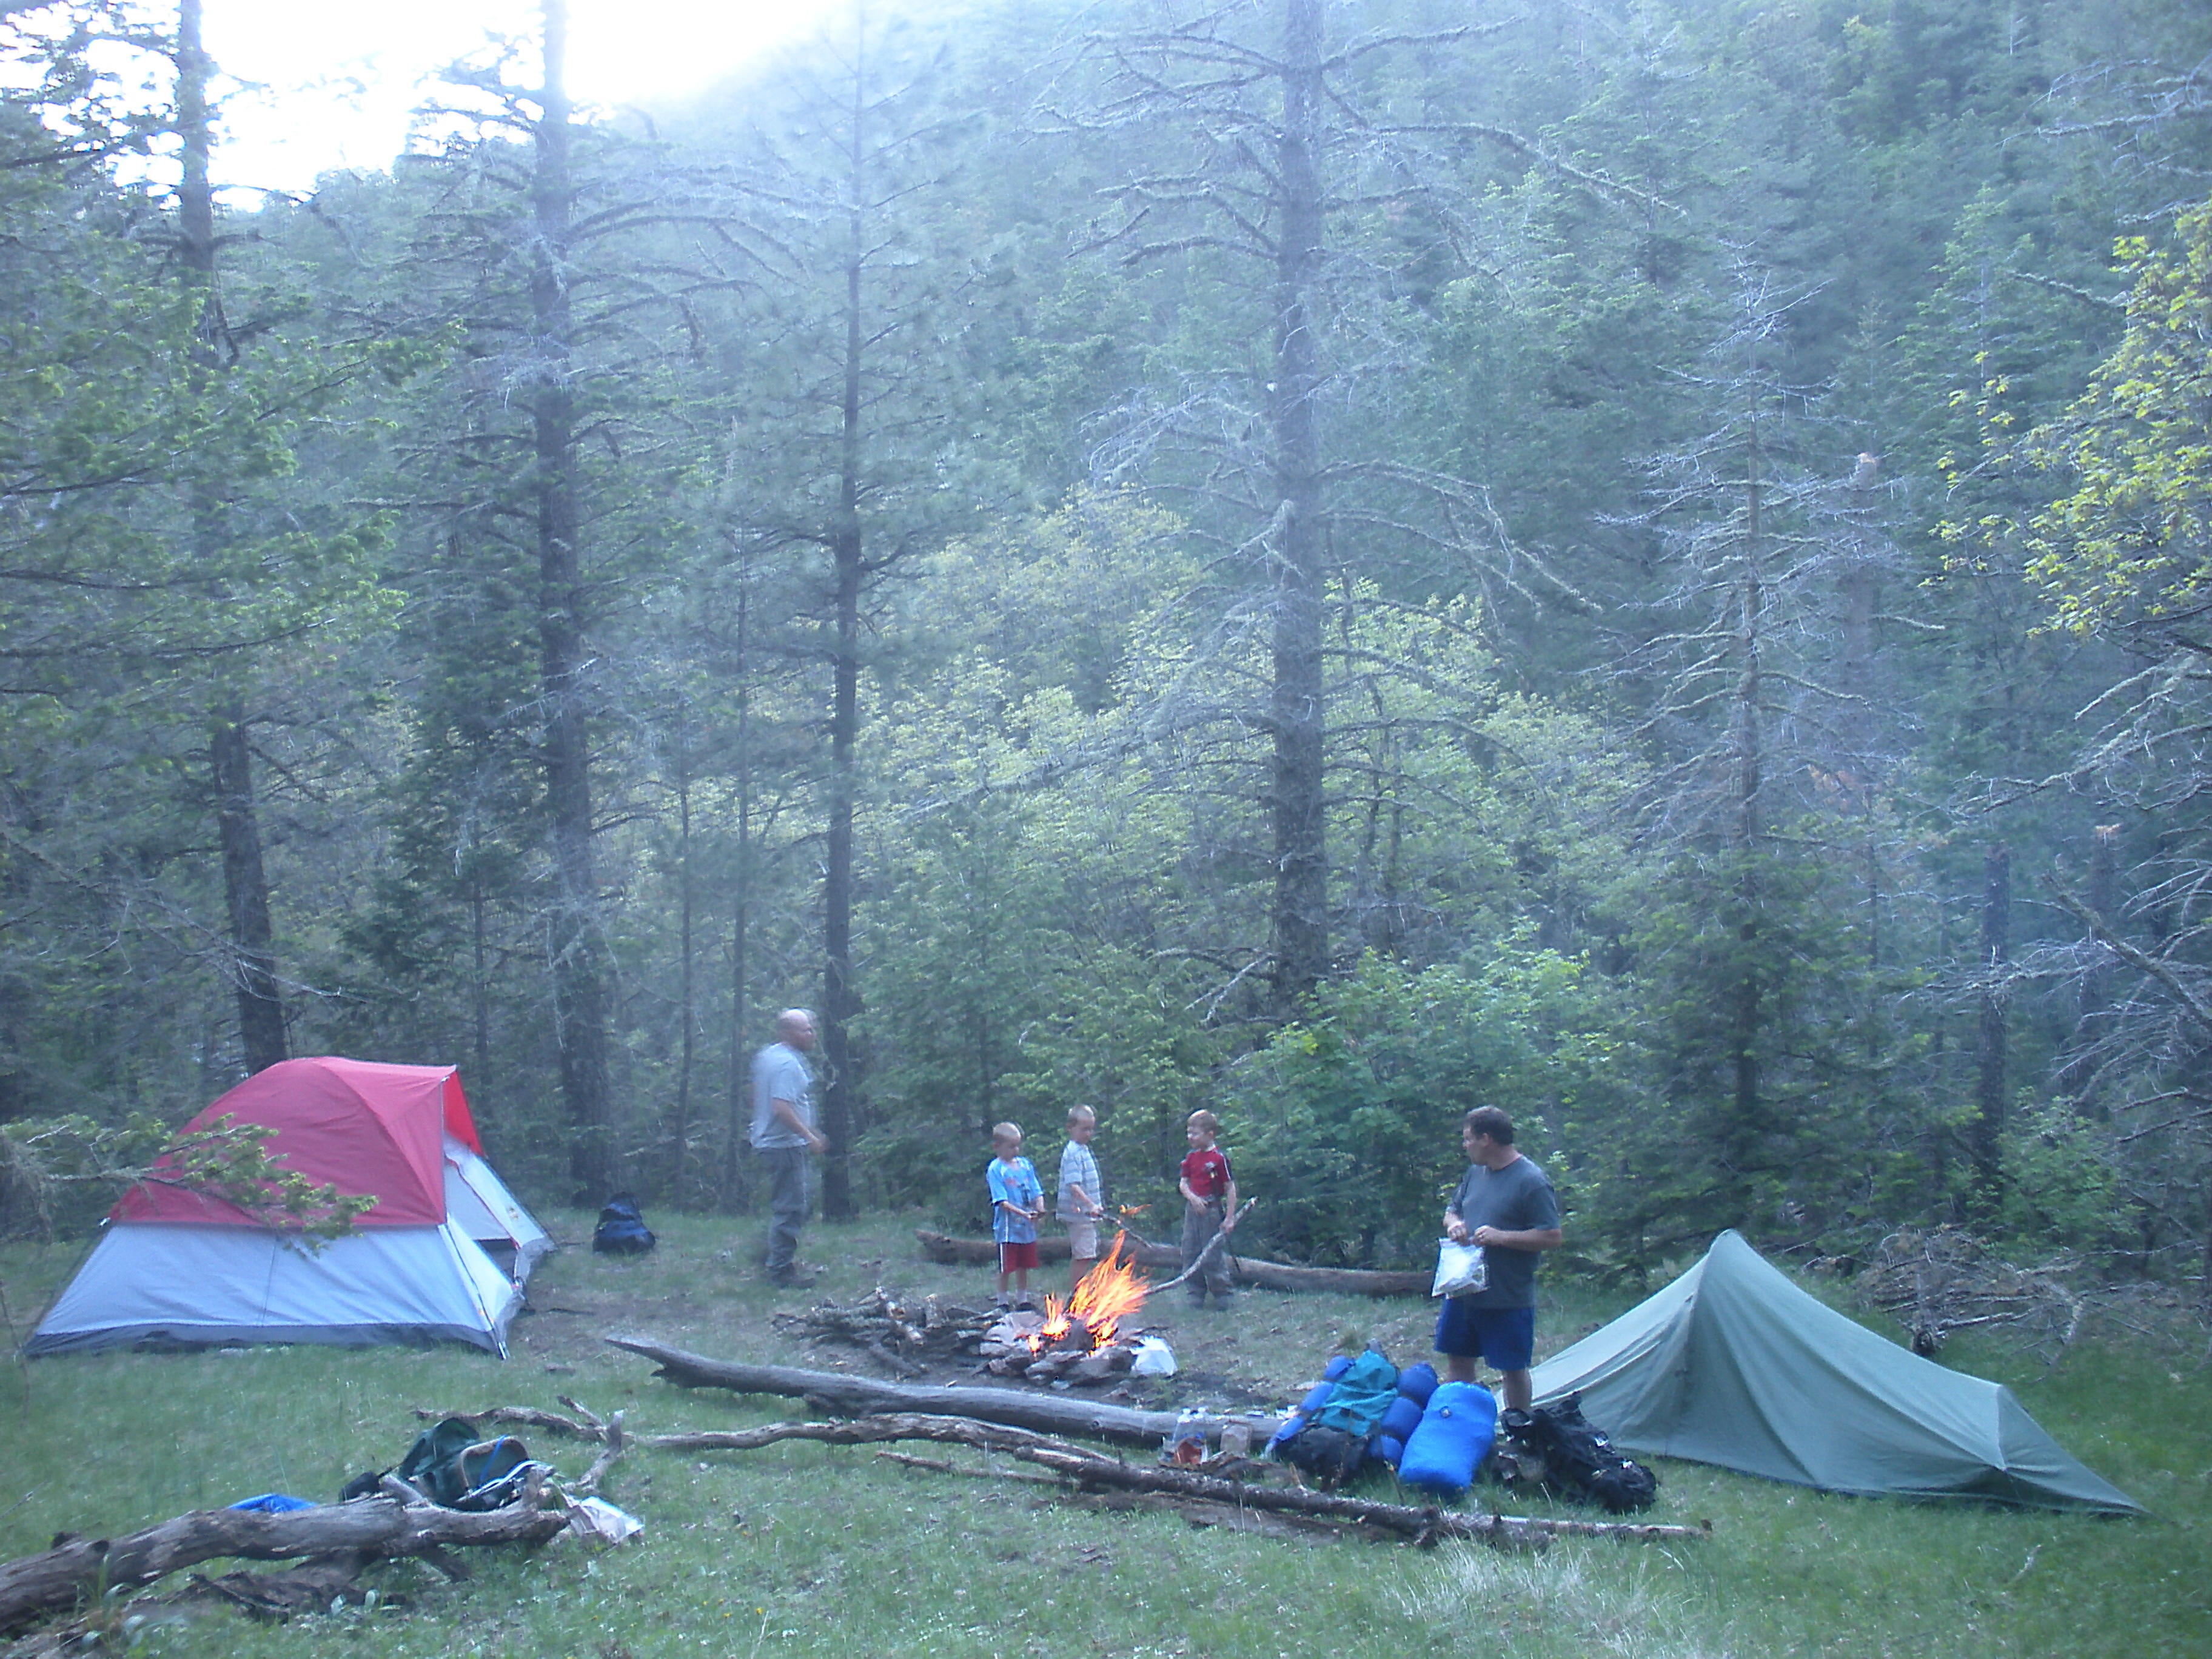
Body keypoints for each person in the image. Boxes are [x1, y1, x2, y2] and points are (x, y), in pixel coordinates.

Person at [1436, 1105, 1563, 1410]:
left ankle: (1519, 1428)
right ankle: (1458, 1424)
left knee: (1512, 1369)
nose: (1465, 1146)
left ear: (1487, 1139)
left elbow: (1552, 1236)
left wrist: (1502, 1237)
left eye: (1468, 1139)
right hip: (1463, 1291)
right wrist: (1455, 1225)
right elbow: (1451, 1211)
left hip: (1507, 1297)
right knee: (1458, 1359)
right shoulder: (1475, 1174)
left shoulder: (1531, 1180)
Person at [750, 1008, 827, 1288]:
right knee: (792, 1208)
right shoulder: (786, 1064)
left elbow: (757, 1093)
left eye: (811, 1029)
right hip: (784, 1146)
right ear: (787, 1033)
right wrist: (810, 1136)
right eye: (806, 1030)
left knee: (787, 1205)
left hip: (769, 1141)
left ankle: (774, 1258)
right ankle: (780, 1272)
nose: (812, 1034)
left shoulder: (768, 1056)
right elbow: (781, 1107)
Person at [1177, 1109, 1238, 1310]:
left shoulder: (1219, 1158)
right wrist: (1193, 1199)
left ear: (1210, 1134)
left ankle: (1222, 1293)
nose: (1190, 1137)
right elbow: (1183, 1184)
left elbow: (1230, 1188)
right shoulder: (1191, 1158)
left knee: (1212, 1253)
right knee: (1190, 1250)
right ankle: (1195, 1293)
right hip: (1193, 1210)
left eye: (1195, 1133)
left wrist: (1229, 1219)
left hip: (1211, 1211)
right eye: (1189, 1132)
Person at [987, 1123, 1045, 1305]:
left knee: (1023, 1264)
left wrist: (1040, 1209)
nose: (1016, 1150)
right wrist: (1023, 1213)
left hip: (1026, 1228)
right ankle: (1002, 1301)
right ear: (997, 1146)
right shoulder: (996, 1169)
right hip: (1008, 1229)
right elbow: (1001, 1202)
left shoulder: (1025, 1165)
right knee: (1006, 1266)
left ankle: (1022, 1299)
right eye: (1011, 1146)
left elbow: (1036, 1190)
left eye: (1017, 1145)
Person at [1056, 1105, 1107, 1293]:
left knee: (1087, 1253)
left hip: (1087, 1215)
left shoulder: (1083, 1150)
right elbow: (1074, 1186)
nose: (1089, 1133)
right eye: (1084, 1129)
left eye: (1091, 1129)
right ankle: (1076, 1294)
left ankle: (1082, 1292)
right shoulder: (1072, 1153)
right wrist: (1090, 1205)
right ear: (1070, 1127)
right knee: (1083, 1255)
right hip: (1079, 1215)